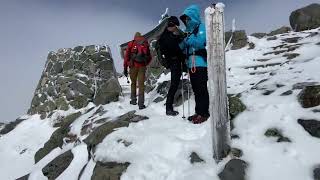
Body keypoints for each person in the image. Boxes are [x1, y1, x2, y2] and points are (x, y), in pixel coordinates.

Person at [179, 5, 209, 124]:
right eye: (185, 19)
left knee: (201, 89)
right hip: (191, 64)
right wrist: (182, 41)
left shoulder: (200, 27)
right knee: (196, 89)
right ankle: (198, 112)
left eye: (187, 18)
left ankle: (204, 113)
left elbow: (201, 43)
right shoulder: (188, 31)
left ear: (193, 17)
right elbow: (183, 47)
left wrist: (187, 39)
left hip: (200, 63)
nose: (186, 21)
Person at [158, 16, 186, 116]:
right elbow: (175, 49)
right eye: (176, 25)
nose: (177, 27)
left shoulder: (167, 35)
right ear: (172, 25)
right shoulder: (167, 36)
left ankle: (169, 106)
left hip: (174, 62)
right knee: (174, 84)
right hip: (174, 62)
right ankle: (168, 108)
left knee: (174, 84)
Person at [124, 32, 152, 110]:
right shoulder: (145, 43)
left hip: (133, 66)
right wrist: (145, 64)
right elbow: (149, 57)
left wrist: (125, 68)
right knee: (141, 85)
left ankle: (133, 100)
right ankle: (141, 104)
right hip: (142, 66)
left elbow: (126, 57)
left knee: (133, 83)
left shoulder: (131, 44)